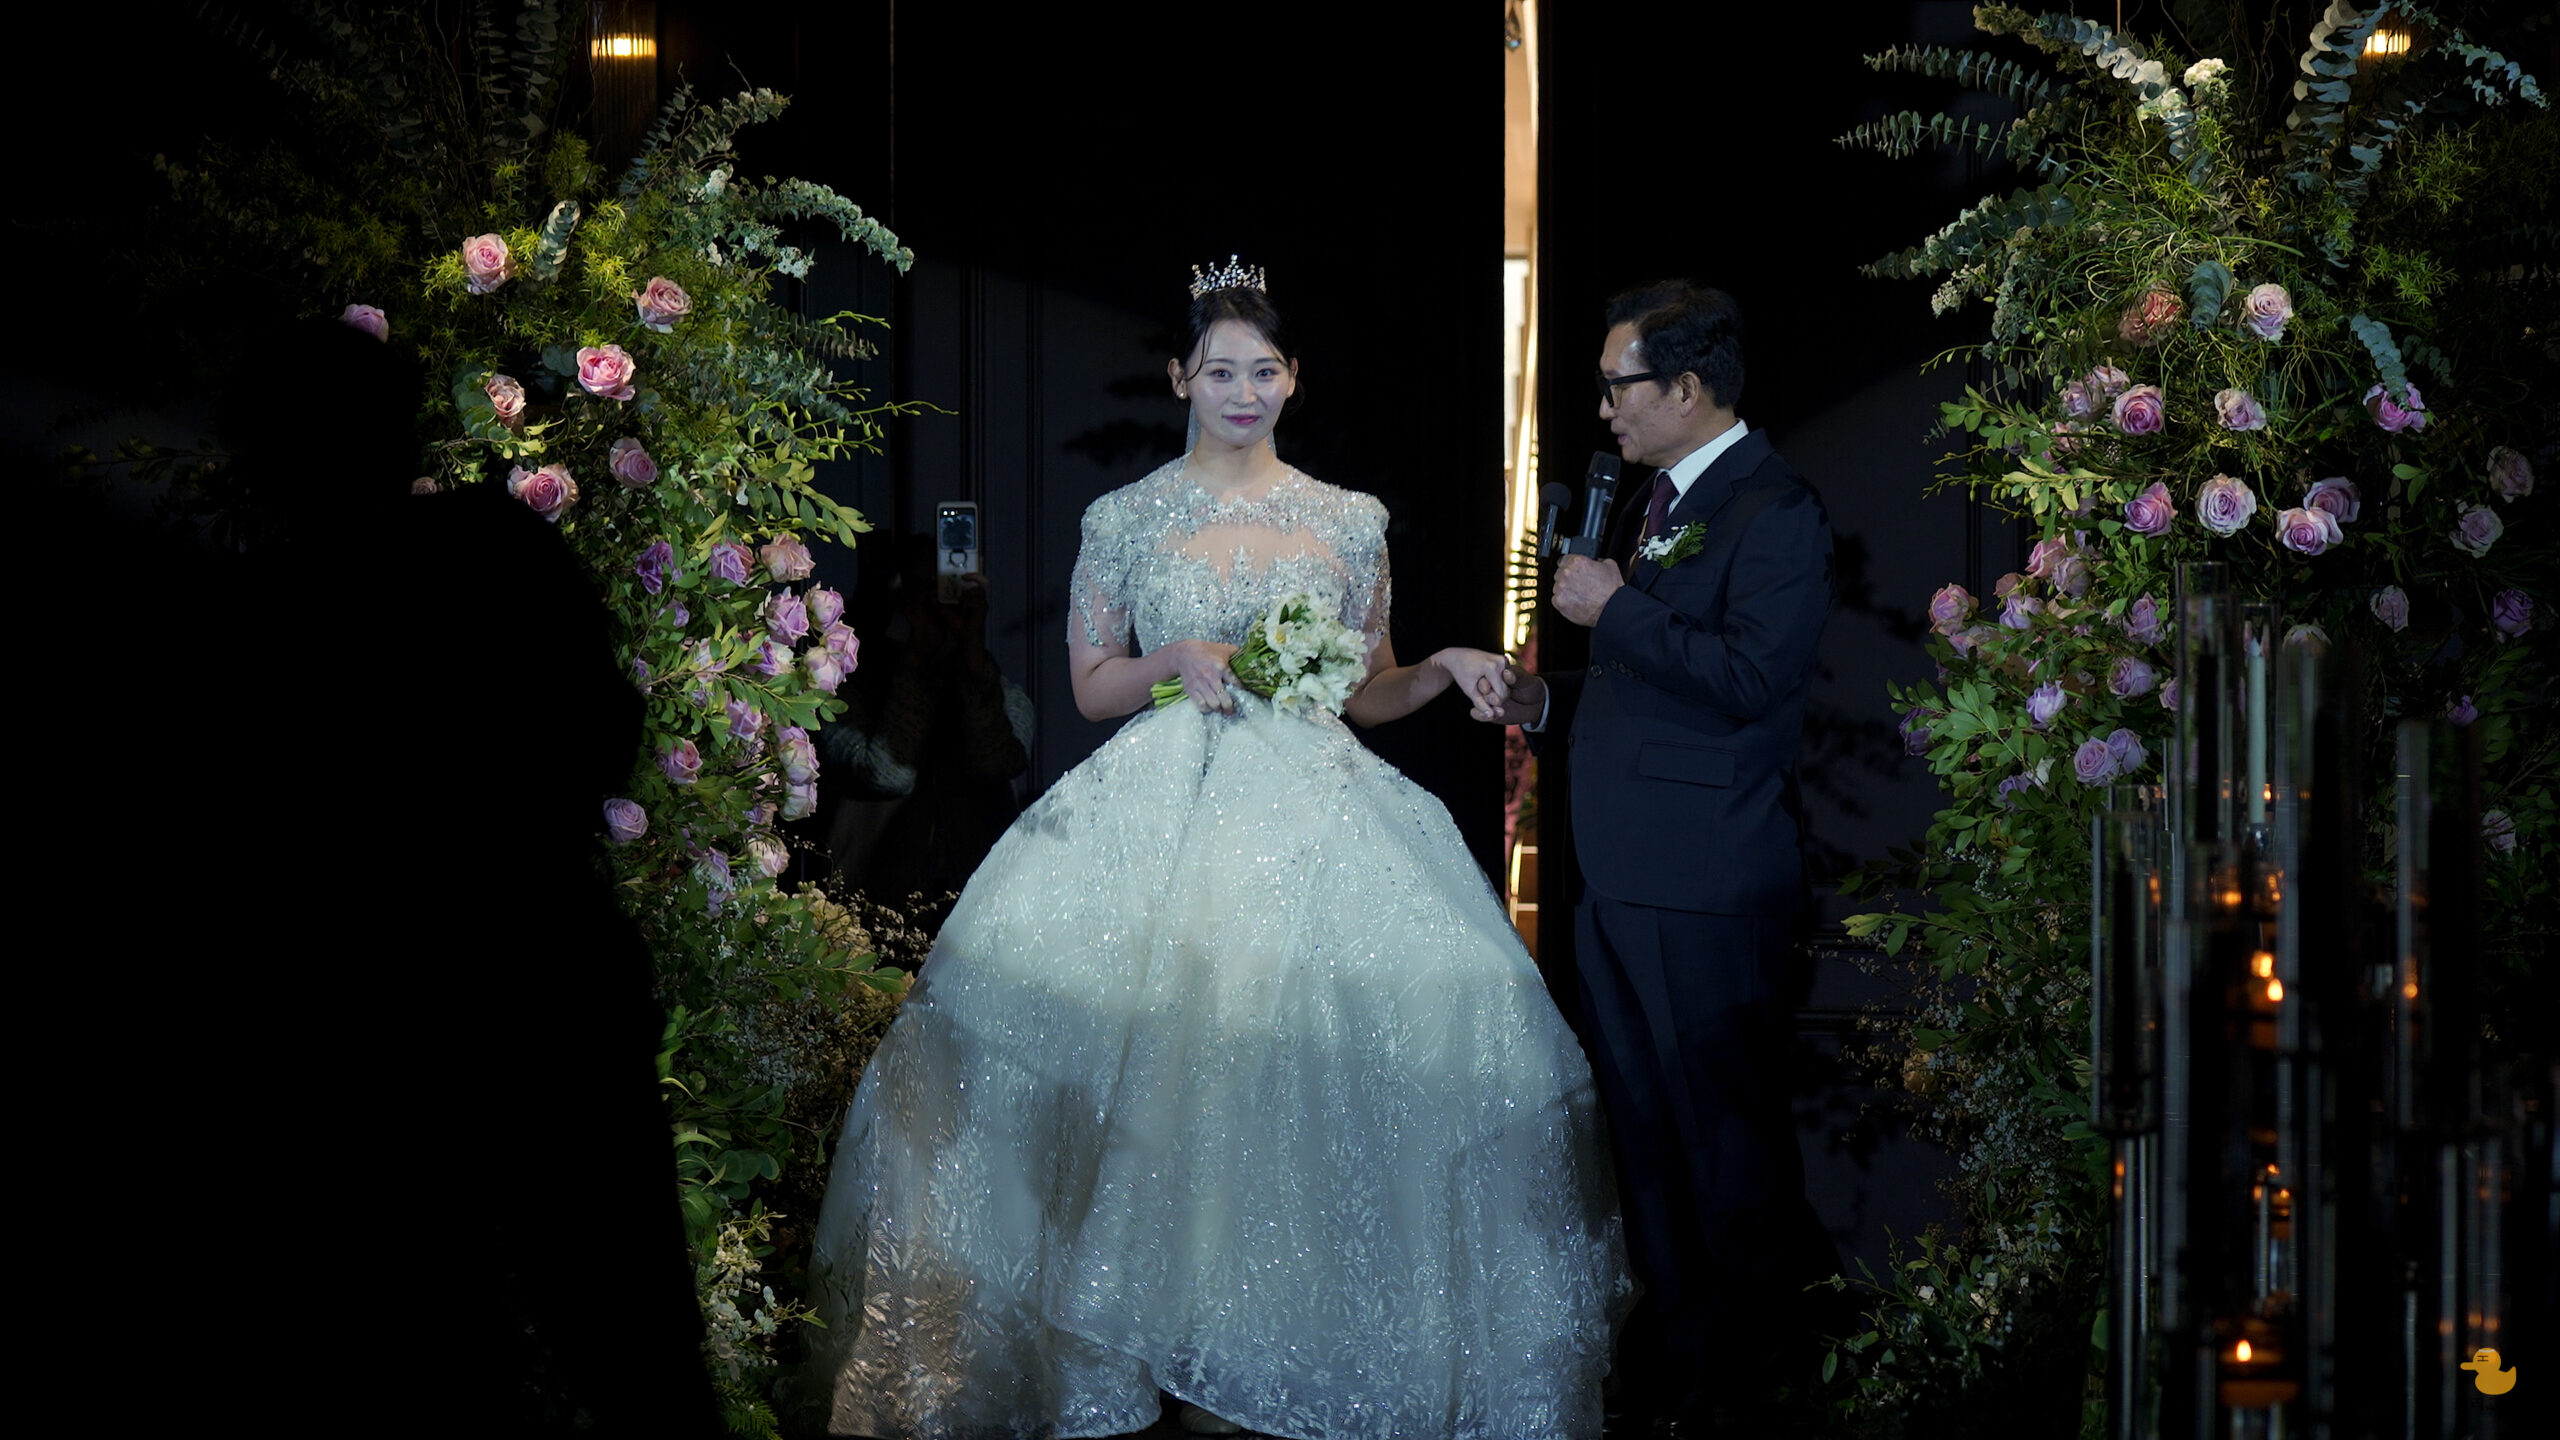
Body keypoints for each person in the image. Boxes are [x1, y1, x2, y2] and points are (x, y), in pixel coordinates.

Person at [803, 263, 1628, 1440]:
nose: (1243, 392)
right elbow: (1092, 688)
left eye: (1264, 371)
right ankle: (1129, 1348)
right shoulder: (1124, 518)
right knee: (1152, 1071)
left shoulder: (1348, 520)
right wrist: (1173, 661)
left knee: (1312, 1080)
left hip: (1318, 813)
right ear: (1179, 378)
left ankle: (1279, 1350)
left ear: (1293, 381)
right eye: (1220, 371)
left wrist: (1443, 667)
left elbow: (1364, 688)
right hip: (1163, 803)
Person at [1483, 281, 1840, 1433]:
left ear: (1686, 388)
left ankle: (1758, 1387)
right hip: (1620, 879)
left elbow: (1750, 677)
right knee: (1646, 1143)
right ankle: (1683, 1372)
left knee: (1724, 1151)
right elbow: (1655, 684)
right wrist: (1548, 700)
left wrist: (1615, 610)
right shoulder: (1655, 499)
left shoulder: (1774, 508)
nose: (1603, 411)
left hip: (1706, 886)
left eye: (1616, 387)